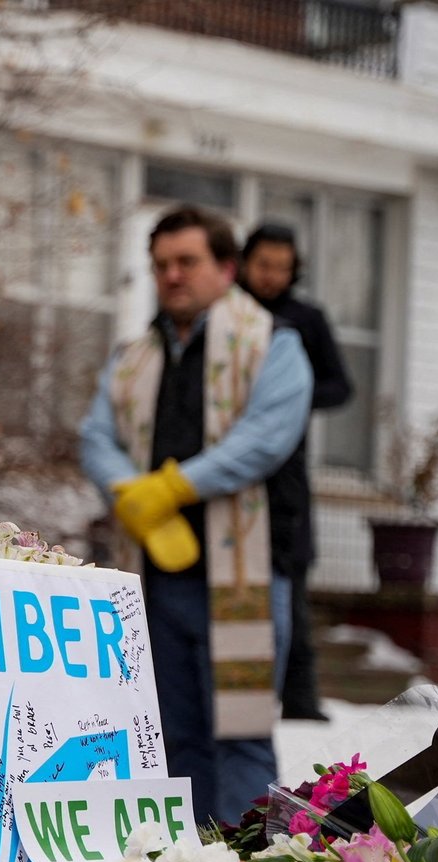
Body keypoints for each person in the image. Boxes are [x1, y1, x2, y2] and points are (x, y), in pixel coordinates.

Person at [80, 205, 314, 824]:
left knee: (240, 735)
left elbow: (266, 438)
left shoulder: (274, 343)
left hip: (245, 580)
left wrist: (174, 488)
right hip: (156, 578)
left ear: (226, 267)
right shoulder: (135, 355)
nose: (172, 276)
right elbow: (95, 436)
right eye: (161, 265)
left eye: (187, 261)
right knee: (167, 738)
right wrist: (133, 494)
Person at [238, 223, 352, 723]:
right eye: (264, 264)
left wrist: (292, 392)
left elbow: (341, 387)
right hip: (226, 469)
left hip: (286, 473)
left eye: (282, 267)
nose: (272, 276)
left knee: (292, 583)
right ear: (244, 261)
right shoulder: (227, 311)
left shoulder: (307, 319)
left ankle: (300, 698)